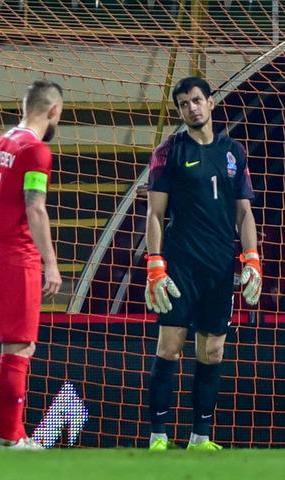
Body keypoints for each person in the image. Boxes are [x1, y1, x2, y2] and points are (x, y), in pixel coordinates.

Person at [145, 76, 260, 451]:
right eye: (183, 104)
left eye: (196, 100)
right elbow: (155, 213)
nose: (191, 108)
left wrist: (252, 259)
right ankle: (158, 437)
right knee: (170, 346)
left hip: (219, 268)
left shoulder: (234, 152)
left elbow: (244, 213)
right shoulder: (169, 151)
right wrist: (155, 265)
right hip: (180, 266)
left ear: (211, 103)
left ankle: (200, 437)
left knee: (212, 351)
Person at [0, 79, 64, 449]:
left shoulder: (3, 142)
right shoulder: (35, 150)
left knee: (12, 349)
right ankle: (11, 440)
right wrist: (51, 262)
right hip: (17, 257)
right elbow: (35, 206)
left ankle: (13, 436)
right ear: (54, 111)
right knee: (19, 349)